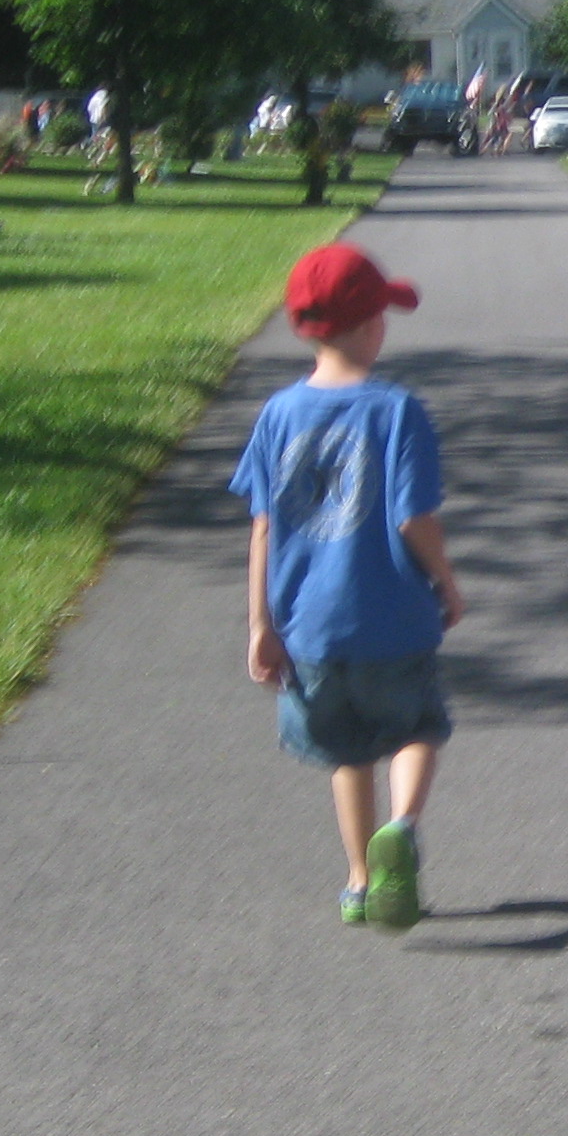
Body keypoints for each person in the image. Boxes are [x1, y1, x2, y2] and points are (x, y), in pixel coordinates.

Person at [233, 242, 466, 929]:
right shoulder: (397, 411)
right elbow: (413, 515)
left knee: (346, 752)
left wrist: (261, 625)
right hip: (393, 617)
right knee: (417, 727)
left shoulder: (277, 415)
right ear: (370, 326)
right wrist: (446, 580)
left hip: (311, 627)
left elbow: (263, 529)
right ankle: (403, 827)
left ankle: (361, 879)